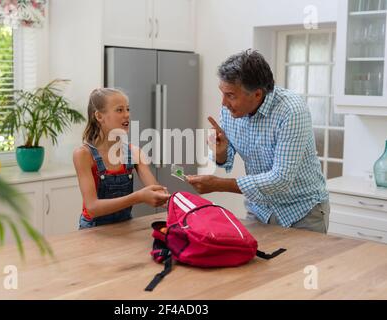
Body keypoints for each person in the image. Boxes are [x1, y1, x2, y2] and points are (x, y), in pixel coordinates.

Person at [186, 49, 330, 233]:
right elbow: (226, 158)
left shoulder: (291, 110)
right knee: (254, 261)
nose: (223, 103)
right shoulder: (231, 111)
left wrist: (218, 184)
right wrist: (220, 152)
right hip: (259, 210)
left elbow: (281, 179)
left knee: (304, 263)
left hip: (302, 212)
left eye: (230, 95)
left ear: (257, 94)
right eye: (223, 94)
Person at [73, 88, 171, 229]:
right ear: (99, 116)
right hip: (93, 230)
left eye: (128, 109)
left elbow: (156, 191)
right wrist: (138, 197)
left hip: (125, 226)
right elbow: (92, 208)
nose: (127, 115)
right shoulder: (83, 155)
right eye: (119, 110)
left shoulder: (134, 152)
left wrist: (168, 197)